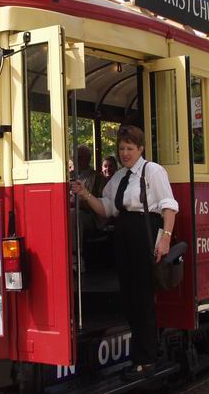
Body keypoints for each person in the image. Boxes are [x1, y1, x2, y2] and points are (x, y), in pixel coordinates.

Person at [71, 125, 178, 380]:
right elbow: (106, 209)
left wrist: (165, 238)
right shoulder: (119, 177)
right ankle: (139, 357)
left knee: (142, 297)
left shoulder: (153, 171)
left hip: (144, 232)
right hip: (123, 235)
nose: (125, 153)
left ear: (140, 149)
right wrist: (85, 194)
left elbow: (168, 206)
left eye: (130, 148)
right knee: (129, 297)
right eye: (121, 148)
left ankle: (147, 359)